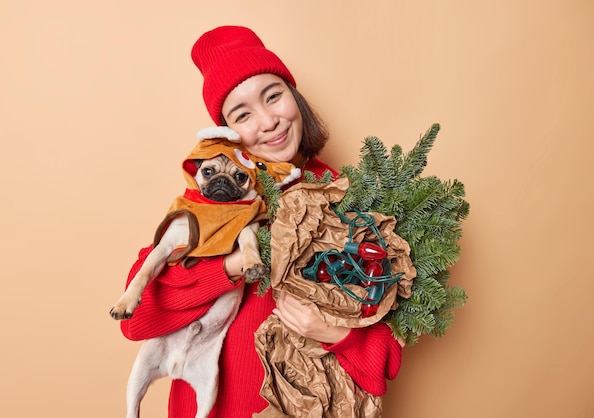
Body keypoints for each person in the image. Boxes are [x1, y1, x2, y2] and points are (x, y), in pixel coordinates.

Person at [119, 25, 403, 417]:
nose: (269, 120)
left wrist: (331, 333)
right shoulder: (208, 205)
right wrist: (230, 267)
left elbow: (383, 360)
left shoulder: (347, 203)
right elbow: (136, 324)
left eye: (274, 96)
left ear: (295, 97)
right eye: (243, 114)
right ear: (225, 133)